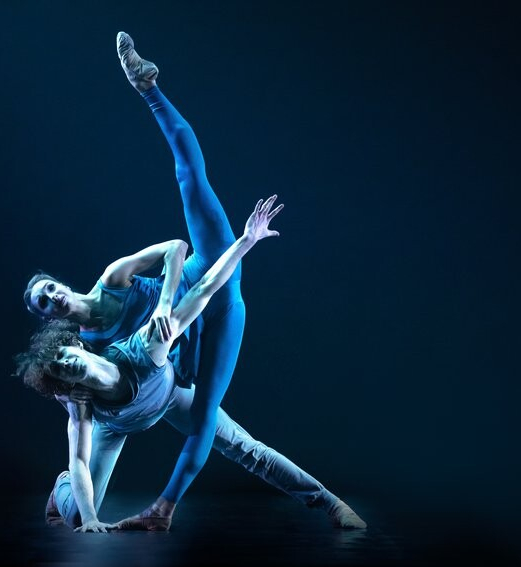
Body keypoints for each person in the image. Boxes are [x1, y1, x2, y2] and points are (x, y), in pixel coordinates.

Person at [21, 32, 366, 531]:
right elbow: (77, 424)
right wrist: (88, 508)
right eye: (42, 303)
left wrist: (217, 263)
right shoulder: (83, 362)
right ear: (47, 322)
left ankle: (148, 89)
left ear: (59, 283)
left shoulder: (114, 288)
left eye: (49, 288)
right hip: (136, 400)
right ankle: (71, 496)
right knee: (77, 508)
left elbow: (181, 258)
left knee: (190, 180)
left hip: (188, 315)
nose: (52, 298)